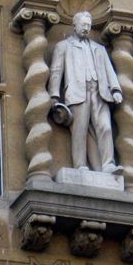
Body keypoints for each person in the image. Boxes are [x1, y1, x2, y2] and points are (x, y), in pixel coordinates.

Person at [48, 11, 123, 174]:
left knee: (105, 127)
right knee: (80, 130)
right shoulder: (63, 46)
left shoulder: (99, 49)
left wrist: (115, 89)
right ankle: (80, 165)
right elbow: (56, 70)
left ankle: (108, 164)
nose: (86, 28)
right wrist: (54, 94)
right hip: (77, 92)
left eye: (88, 26)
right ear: (74, 25)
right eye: (83, 25)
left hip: (99, 91)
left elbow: (110, 71)